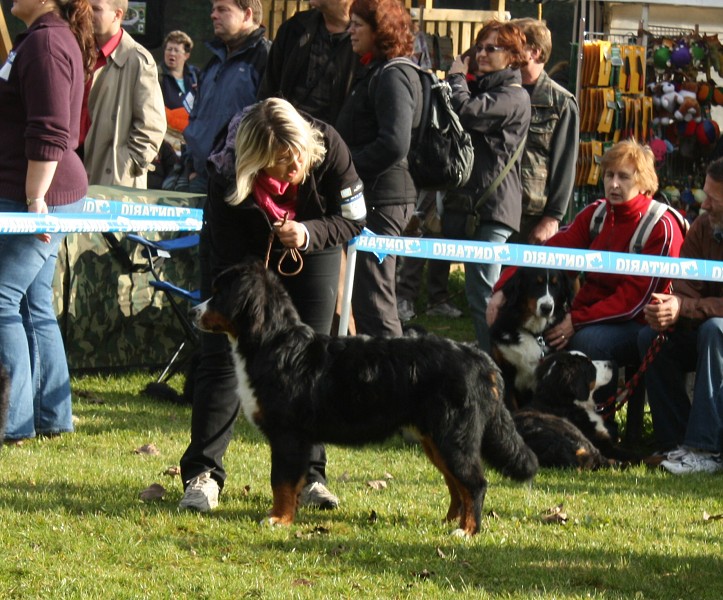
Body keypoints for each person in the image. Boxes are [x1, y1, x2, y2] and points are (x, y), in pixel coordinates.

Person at [178, 98, 366, 512]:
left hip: (312, 246)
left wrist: (309, 233)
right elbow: (228, 260)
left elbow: (354, 218)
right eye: (283, 161)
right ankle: (203, 475)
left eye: (298, 153)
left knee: (311, 360)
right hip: (240, 254)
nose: (295, 164)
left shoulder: (329, 146)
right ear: (256, 161)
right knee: (221, 359)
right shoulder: (226, 171)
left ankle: (312, 477)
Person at [489, 140, 686, 400]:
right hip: (592, 312)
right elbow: (547, 252)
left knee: (588, 341)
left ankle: (596, 421)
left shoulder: (662, 225)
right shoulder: (598, 214)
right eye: (609, 175)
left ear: (645, 183)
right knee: (538, 325)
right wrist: (502, 289)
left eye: (623, 177)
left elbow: (634, 300)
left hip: (641, 322)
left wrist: (577, 320)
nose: (613, 184)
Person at [0, 0, 96, 443]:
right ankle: (50, 417)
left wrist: (35, 198)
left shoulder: (46, 43)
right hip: (39, 192)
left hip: (38, 196)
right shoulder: (43, 39)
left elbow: (53, 129)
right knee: (31, 304)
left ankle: (13, 425)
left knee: (2, 300)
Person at [257, 0, 359, 334]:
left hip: (337, 167)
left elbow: (352, 220)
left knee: (346, 298)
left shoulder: (369, 32)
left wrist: (341, 164)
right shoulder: (294, 29)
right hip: (281, 161)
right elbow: (266, 95)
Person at [335, 0, 422, 337]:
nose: (350, 30)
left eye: (357, 24)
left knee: (375, 300)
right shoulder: (374, 71)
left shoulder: (393, 75)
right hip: (373, 198)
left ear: (380, 30)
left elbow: (395, 143)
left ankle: (397, 383)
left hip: (383, 201)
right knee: (366, 297)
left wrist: (346, 168)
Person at [446, 19, 531, 352]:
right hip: (482, 206)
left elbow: (466, 112)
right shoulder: (489, 89)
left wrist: (456, 76)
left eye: (490, 48)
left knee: (484, 292)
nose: (481, 53)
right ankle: (493, 361)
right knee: (478, 292)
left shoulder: (513, 96)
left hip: (495, 208)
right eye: (479, 48)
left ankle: (495, 371)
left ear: (511, 56)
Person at [638, 157, 723, 474]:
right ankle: (675, 444)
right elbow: (686, 287)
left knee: (715, 330)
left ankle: (706, 449)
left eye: (714, 199)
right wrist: (669, 309)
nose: (705, 206)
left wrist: (685, 307)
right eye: (706, 194)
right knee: (652, 337)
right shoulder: (703, 228)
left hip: (714, 332)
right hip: (705, 327)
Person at [182, 0, 270, 194]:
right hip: (199, 178)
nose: (213, 15)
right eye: (213, 9)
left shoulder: (266, 59)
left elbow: (270, 127)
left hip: (239, 185)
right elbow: (196, 116)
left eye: (222, 9)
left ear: (247, 15)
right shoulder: (214, 61)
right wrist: (191, 166)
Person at [510, 18, 579, 245]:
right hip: (495, 209)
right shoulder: (500, 92)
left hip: (531, 216)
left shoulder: (561, 103)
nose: (507, 51)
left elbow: (565, 164)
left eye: (514, 45)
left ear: (535, 52)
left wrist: (552, 217)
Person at [82, 0, 165, 188]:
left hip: (116, 181)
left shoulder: (139, 60)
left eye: (96, 9)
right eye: (87, 8)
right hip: (76, 171)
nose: (88, 14)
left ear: (118, 15)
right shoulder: (79, 52)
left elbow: (152, 126)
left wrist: (125, 165)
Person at [257, 0, 357, 127]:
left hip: (337, 143)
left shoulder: (369, 39)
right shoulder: (294, 28)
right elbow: (267, 93)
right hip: (288, 139)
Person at [396, 190, 463, 321]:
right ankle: (404, 298)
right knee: (418, 232)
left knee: (443, 235)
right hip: (427, 184)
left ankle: (438, 299)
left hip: (450, 184)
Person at [159, 30, 200, 150]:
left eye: (176, 50)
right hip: (168, 140)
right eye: (169, 49)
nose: (172, 54)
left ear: (186, 55)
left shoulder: (195, 75)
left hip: (193, 138)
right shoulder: (155, 75)